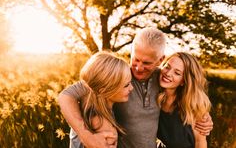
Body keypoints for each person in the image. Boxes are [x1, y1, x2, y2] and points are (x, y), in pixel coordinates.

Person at [58, 28, 213, 148]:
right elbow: (66, 96)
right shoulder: (115, 74)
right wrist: (86, 136)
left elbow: (186, 93)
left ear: (160, 60)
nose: (138, 68)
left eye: (146, 63)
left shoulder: (163, 78)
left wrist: (203, 118)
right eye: (135, 59)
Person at [59, 51, 133, 148]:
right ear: (105, 90)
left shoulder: (89, 107)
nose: (131, 88)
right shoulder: (102, 126)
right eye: (126, 85)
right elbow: (64, 96)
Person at [156, 52, 211, 148]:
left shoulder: (193, 106)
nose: (168, 73)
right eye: (167, 66)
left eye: (177, 73)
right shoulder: (156, 97)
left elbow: (200, 143)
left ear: (184, 81)